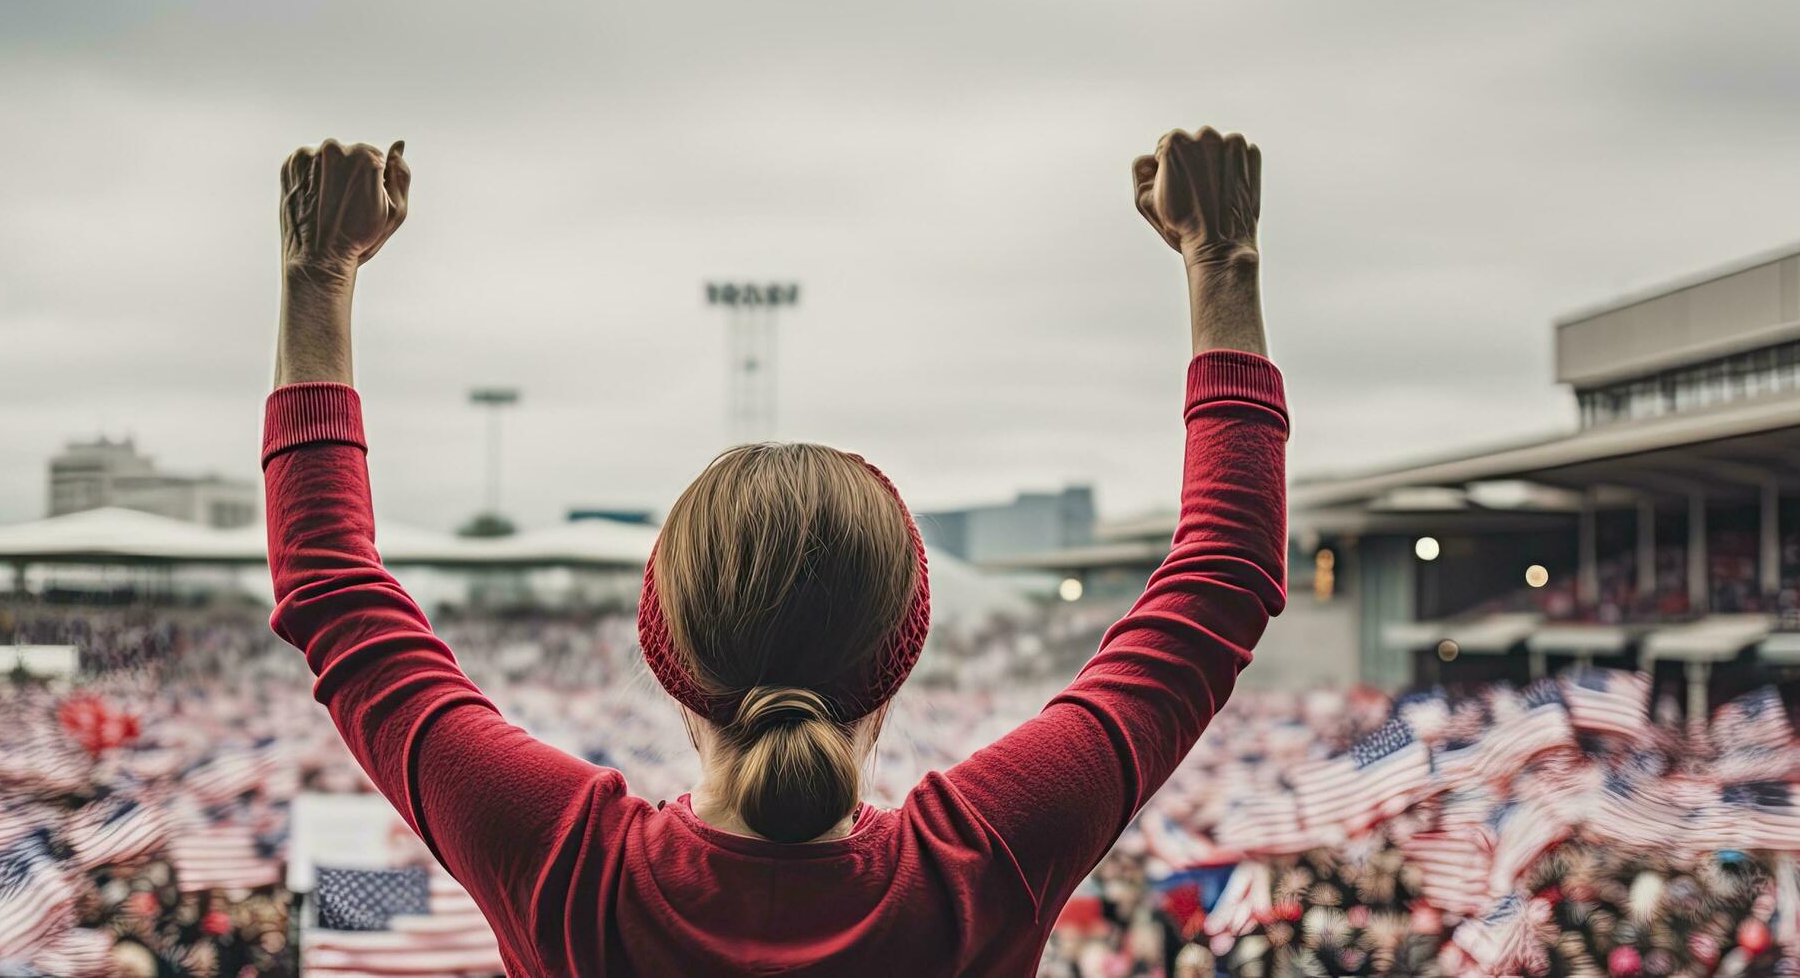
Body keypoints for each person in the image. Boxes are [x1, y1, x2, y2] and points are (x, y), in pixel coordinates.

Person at [261, 125, 1288, 975]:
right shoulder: (980, 861)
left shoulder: (566, 861)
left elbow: (331, 588)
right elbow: (1223, 575)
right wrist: (1221, 259)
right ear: (899, 652)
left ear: (666, 651)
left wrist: (318, 275)